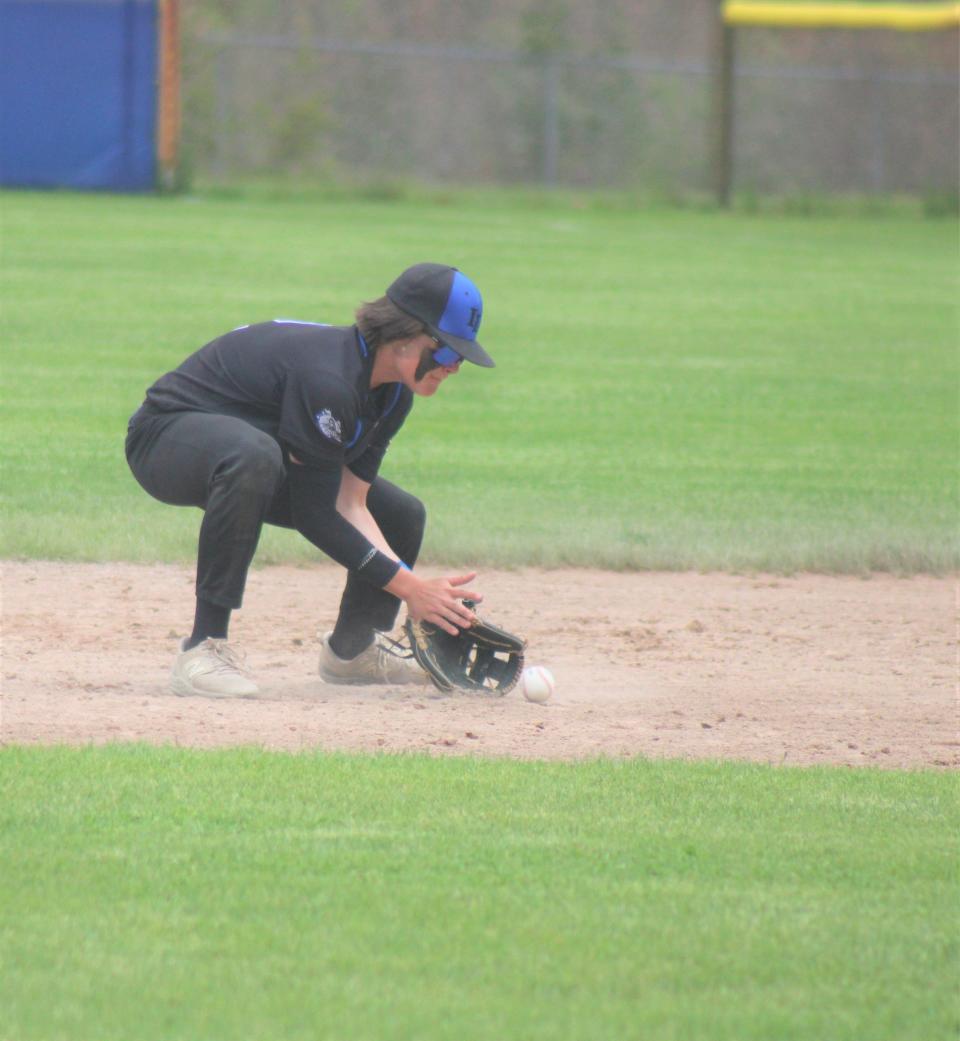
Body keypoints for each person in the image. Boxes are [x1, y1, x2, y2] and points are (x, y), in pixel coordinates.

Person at [125, 263, 493, 697]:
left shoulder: (392, 394)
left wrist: (419, 598)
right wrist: (410, 586)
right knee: (253, 456)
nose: (453, 367)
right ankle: (203, 648)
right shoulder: (330, 379)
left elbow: (351, 504)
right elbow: (314, 515)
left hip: (252, 451)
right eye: (448, 352)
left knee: (400, 513)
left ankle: (354, 652)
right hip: (165, 438)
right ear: (405, 336)